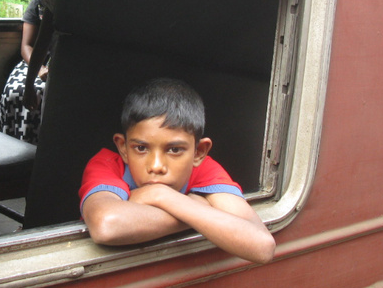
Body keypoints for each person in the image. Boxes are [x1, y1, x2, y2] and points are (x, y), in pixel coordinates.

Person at [79, 78, 275, 264]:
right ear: (123, 147)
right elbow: (106, 225)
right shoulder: (107, 164)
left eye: (174, 150)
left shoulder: (203, 169)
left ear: (199, 152)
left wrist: (160, 195)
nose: (156, 166)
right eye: (141, 148)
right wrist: (197, 206)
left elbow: (262, 246)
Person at [0, 0, 60, 143]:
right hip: (33, 60)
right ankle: (15, 140)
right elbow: (27, 46)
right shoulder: (41, 2)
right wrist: (39, 70)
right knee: (14, 92)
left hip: (56, 61)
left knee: (42, 94)